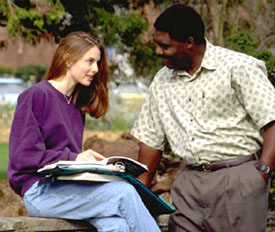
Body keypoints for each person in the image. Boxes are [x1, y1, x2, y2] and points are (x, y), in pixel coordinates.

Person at [131, 4, 275, 232]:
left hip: (238, 181)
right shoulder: (162, 81)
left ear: (188, 42)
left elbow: (272, 120)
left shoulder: (238, 67)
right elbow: (150, 139)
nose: (158, 52)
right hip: (189, 184)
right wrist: (138, 195)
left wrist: (262, 173)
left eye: (164, 46)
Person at [8, 31, 161, 232]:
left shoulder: (76, 105)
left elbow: (66, 162)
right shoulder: (37, 95)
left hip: (69, 189)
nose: (95, 69)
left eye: (97, 63)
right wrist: (75, 157)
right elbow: (23, 156)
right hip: (40, 192)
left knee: (117, 225)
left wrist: (98, 168)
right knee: (123, 193)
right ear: (67, 59)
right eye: (89, 61)